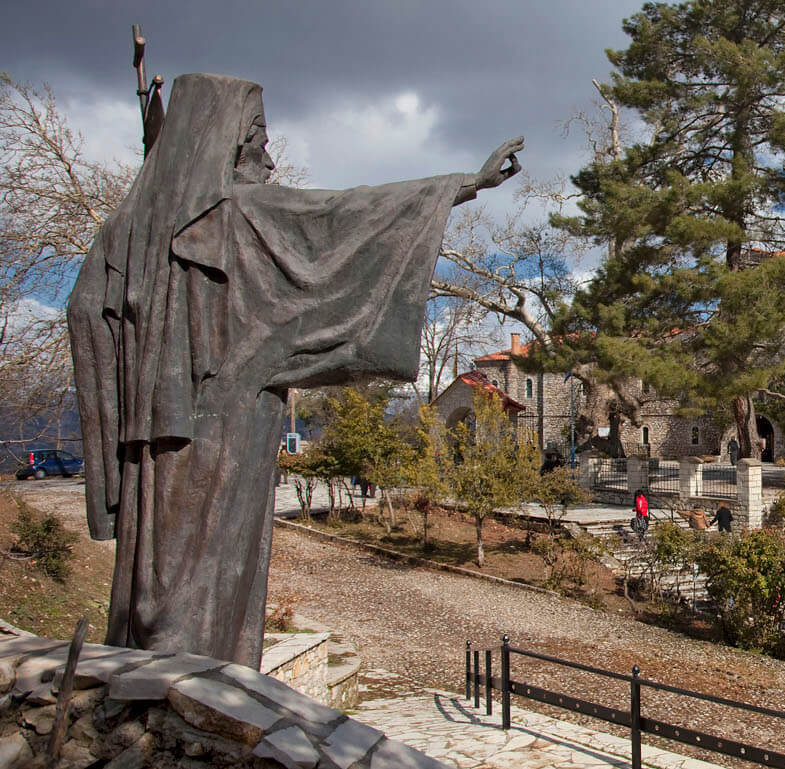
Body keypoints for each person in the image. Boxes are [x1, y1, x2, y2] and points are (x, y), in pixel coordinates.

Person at [68, 73, 523, 667]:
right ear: (223, 139)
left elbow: (87, 313)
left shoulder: (128, 234)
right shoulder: (233, 214)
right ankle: (195, 680)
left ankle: (155, 655)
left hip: (159, 427)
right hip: (230, 423)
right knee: (214, 570)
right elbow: (343, 215)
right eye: (255, 136)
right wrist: (468, 182)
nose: (266, 153)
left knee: (164, 555)